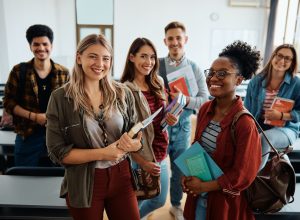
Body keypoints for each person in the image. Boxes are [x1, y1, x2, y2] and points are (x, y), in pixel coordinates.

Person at [46, 34, 142, 220]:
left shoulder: (123, 93)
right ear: (79, 57)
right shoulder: (60, 98)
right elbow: (57, 152)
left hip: (121, 176)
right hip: (84, 180)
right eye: (93, 56)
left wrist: (134, 145)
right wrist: (103, 153)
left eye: (106, 58)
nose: (100, 63)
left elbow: (138, 137)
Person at [182, 41, 262, 220]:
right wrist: (188, 176)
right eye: (211, 72)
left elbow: (243, 175)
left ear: (239, 80)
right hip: (198, 197)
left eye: (222, 74)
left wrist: (204, 187)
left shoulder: (244, 123)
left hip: (223, 204)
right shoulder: (205, 109)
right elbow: (198, 149)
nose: (213, 78)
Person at [120, 37, 178, 219]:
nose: (149, 62)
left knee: (158, 199)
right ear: (131, 57)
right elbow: (124, 133)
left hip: (161, 150)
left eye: (152, 57)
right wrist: (143, 162)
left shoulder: (158, 81)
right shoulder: (124, 90)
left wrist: (172, 118)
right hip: (141, 155)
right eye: (143, 56)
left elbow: (165, 112)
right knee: (139, 199)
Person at [159, 21, 209, 219]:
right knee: (159, 166)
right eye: (170, 38)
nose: (174, 42)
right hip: (162, 126)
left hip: (183, 126)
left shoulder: (195, 68)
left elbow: (204, 101)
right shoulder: (158, 65)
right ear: (165, 41)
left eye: (178, 38)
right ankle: (152, 200)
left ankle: (176, 204)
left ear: (185, 40)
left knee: (179, 169)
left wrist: (183, 99)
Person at [3, 24, 69, 166]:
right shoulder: (18, 71)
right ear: (30, 46)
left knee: (57, 180)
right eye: (36, 44)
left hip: (57, 135)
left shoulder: (64, 73)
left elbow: (70, 104)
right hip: (27, 134)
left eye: (45, 44)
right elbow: (8, 102)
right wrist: (35, 117)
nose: (41, 48)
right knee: (23, 175)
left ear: (51, 45)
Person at [244, 44, 300, 169]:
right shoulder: (256, 81)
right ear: (273, 56)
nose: (282, 61)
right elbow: (246, 110)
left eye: (287, 58)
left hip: (286, 129)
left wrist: (281, 115)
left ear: (292, 62)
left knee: (264, 138)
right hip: (258, 127)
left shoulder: (296, 83)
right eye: (279, 55)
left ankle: (251, 178)